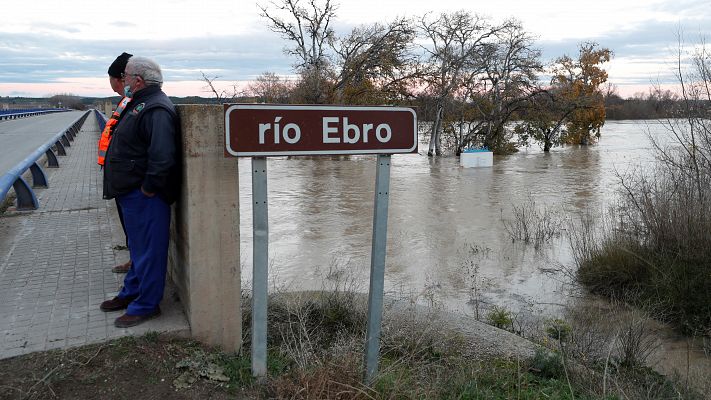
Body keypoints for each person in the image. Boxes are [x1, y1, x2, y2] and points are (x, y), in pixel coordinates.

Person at [99, 56, 180, 328]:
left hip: (145, 196)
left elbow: (162, 155)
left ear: (138, 80)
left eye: (127, 76)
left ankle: (147, 305)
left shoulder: (156, 107)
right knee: (138, 248)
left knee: (149, 252)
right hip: (130, 193)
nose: (124, 81)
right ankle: (131, 292)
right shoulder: (140, 103)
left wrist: (147, 189)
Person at [99, 52, 133, 274]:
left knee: (134, 226)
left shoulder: (132, 101)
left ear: (117, 79)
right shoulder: (126, 101)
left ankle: (135, 264)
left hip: (129, 178)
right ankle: (133, 260)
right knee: (128, 225)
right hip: (120, 176)